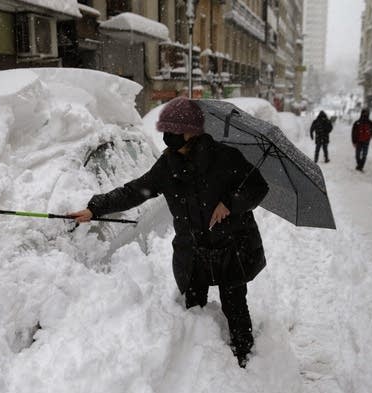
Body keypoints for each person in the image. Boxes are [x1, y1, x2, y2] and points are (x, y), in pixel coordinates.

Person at [69, 97, 269, 368]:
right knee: (194, 308)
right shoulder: (168, 166)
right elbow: (135, 191)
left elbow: (257, 186)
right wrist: (96, 208)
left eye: (174, 131)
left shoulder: (225, 158)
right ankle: (197, 364)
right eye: (166, 131)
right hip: (195, 250)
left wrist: (230, 204)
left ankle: (245, 359)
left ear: (193, 131)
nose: (168, 138)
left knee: (234, 303)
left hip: (230, 246)